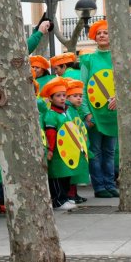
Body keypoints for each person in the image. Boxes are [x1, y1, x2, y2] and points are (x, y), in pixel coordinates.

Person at [79, 19, 119, 199]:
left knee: (110, 152)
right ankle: (99, 186)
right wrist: (86, 113)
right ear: (95, 37)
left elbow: (126, 84)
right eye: (99, 33)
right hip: (94, 115)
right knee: (95, 151)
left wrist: (119, 98)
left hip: (112, 115)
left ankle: (110, 184)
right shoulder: (88, 59)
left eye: (106, 32)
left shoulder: (119, 58)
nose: (102, 35)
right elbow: (83, 87)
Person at [41, 77, 86, 211]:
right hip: (56, 152)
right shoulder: (51, 115)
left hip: (68, 150)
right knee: (57, 176)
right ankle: (58, 200)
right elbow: (50, 134)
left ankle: (65, 197)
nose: (62, 98)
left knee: (66, 175)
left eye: (64, 95)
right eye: (58, 96)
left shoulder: (68, 112)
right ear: (50, 99)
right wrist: (50, 149)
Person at [65, 79, 89, 204]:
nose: (79, 99)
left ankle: (74, 193)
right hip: (71, 145)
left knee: (77, 171)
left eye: (80, 96)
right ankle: (70, 194)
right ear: (67, 97)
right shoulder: (68, 110)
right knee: (72, 171)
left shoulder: (74, 110)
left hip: (78, 144)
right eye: (75, 96)